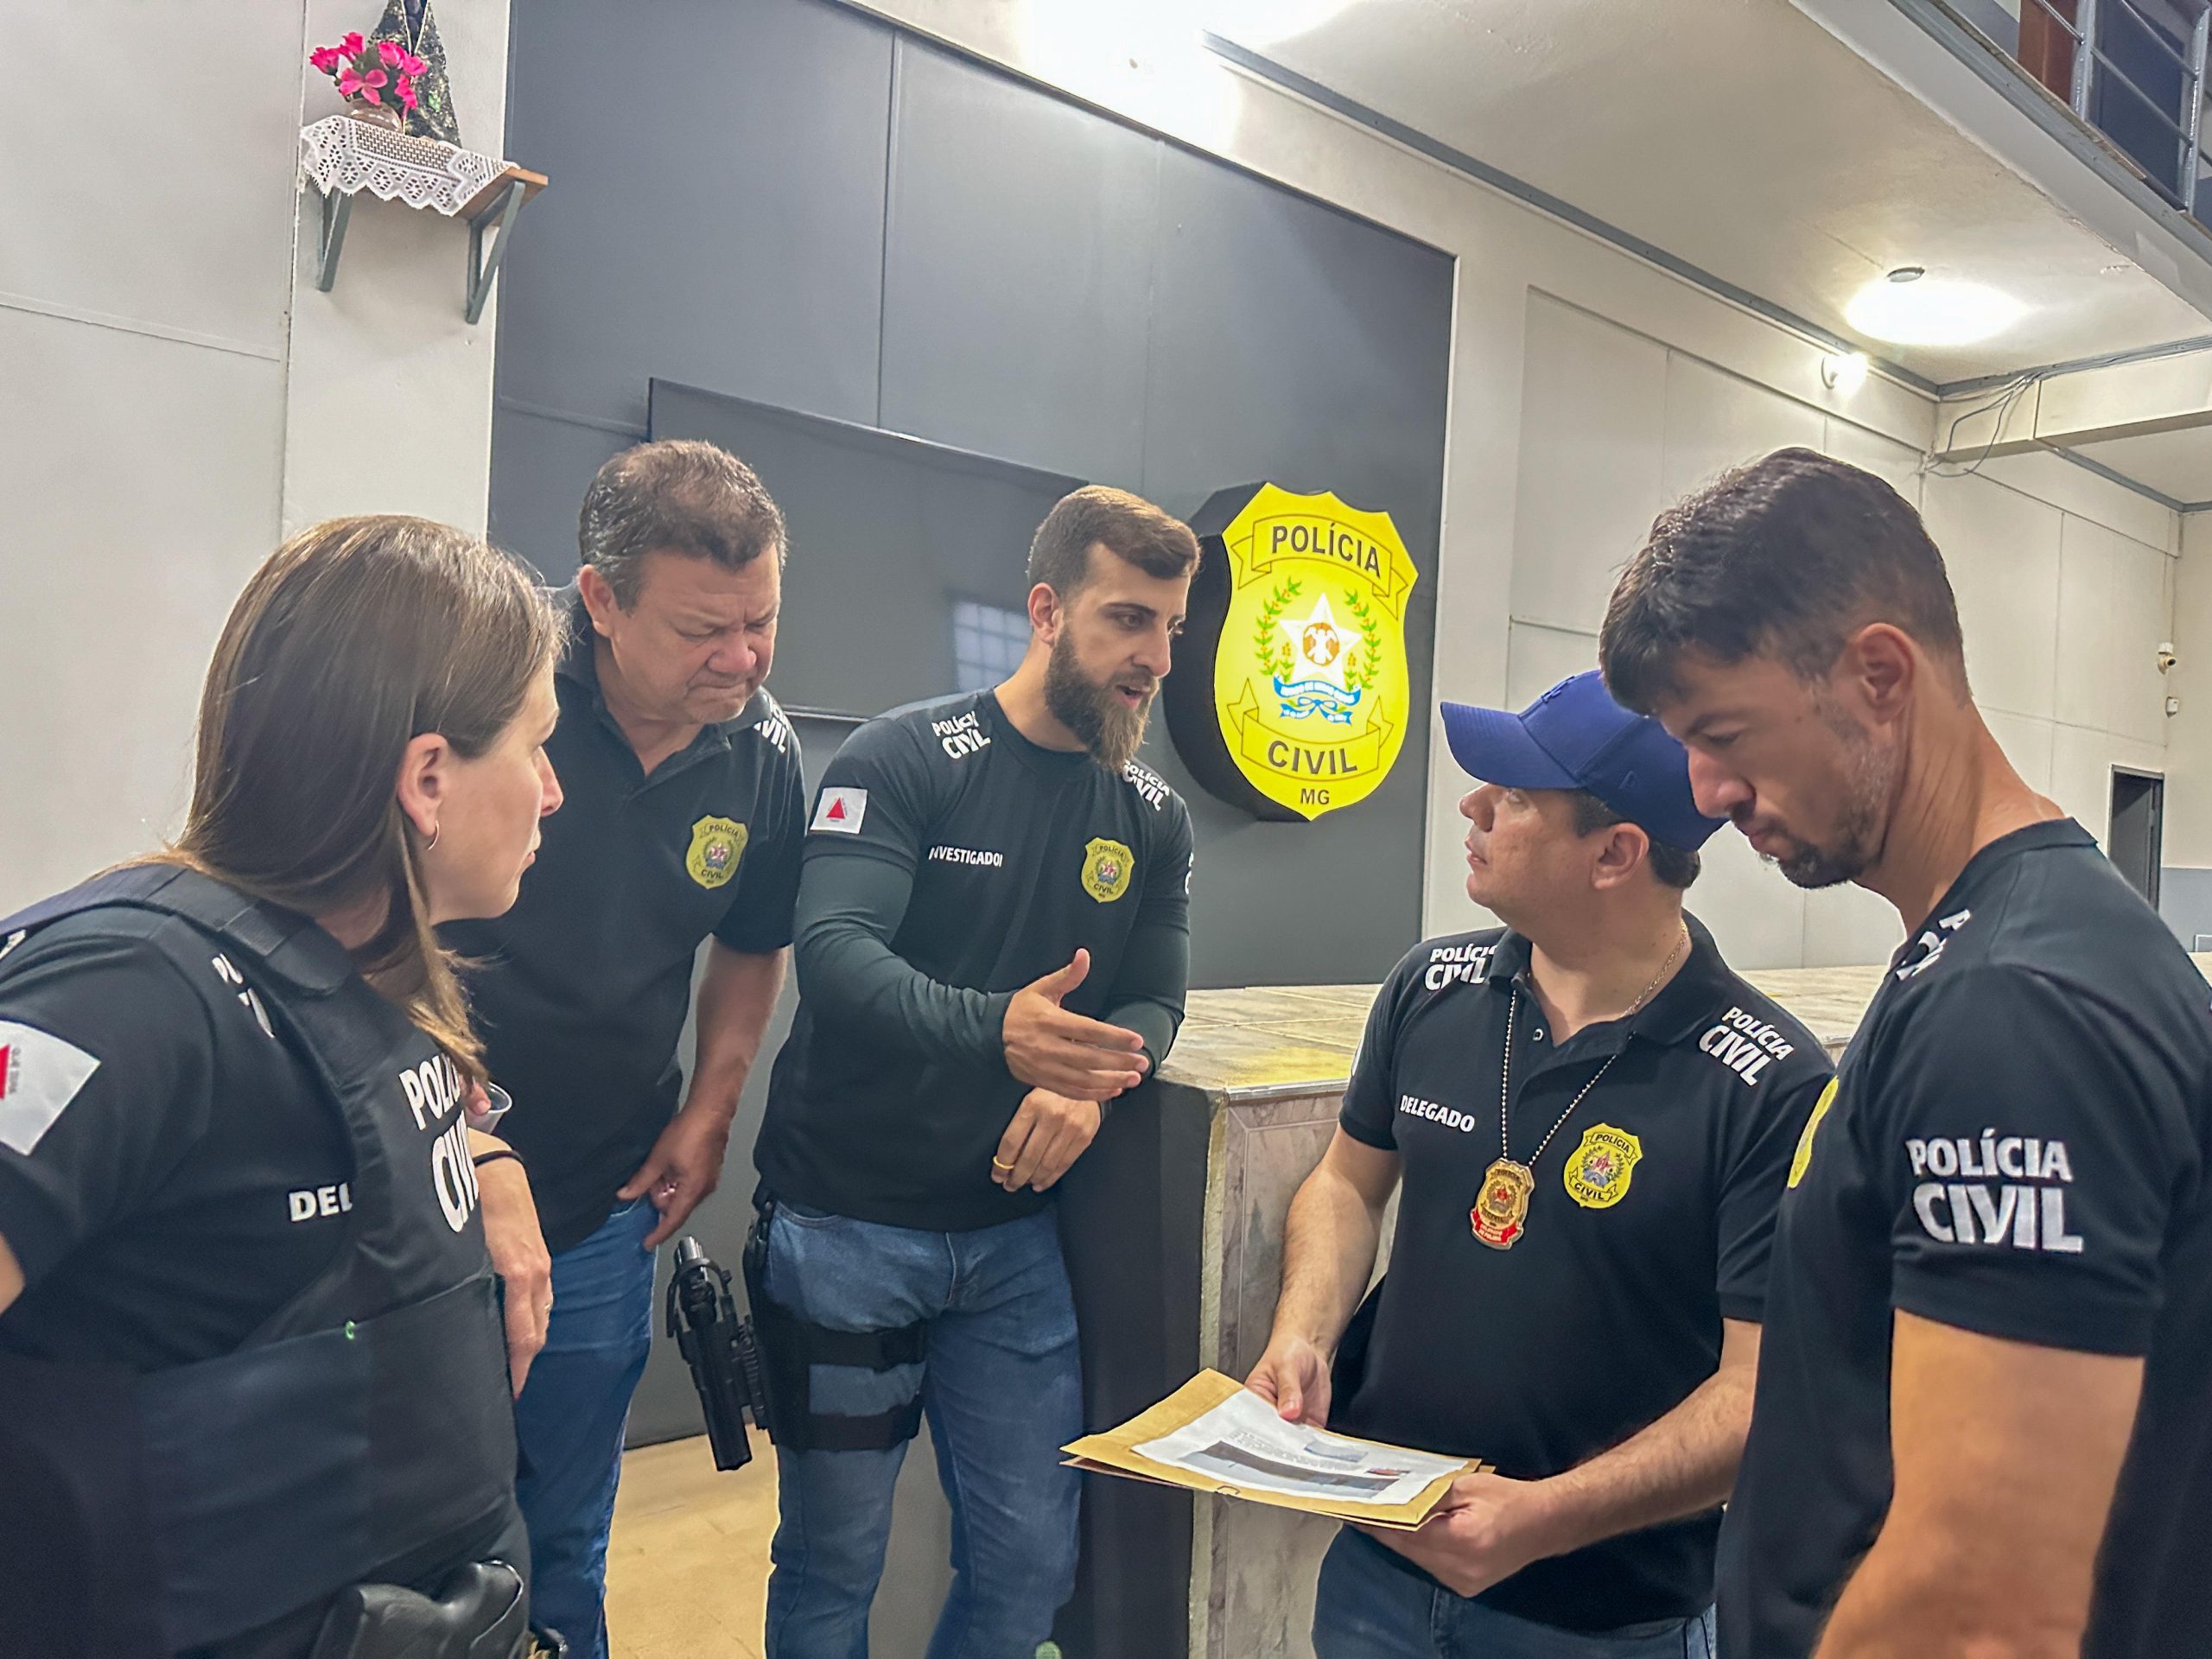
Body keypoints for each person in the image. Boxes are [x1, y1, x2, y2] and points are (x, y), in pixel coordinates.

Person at [1599, 446, 2212, 1659]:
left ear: (1879, 675)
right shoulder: (1985, 947)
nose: (1706, 792)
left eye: (1724, 733)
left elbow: (1983, 1609)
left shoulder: (2016, 1006)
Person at [0, 516, 565, 1658]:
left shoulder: (361, 975)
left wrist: (489, 1162)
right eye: (536, 745)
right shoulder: (136, 988)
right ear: (428, 779)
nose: (552, 791)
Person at [1248, 670, 1834, 1659]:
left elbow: (1760, 1391)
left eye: (1514, 797)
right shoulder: (1429, 989)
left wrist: (1543, 1520)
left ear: (1614, 853)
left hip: (1600, 1621)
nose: (1472, 808)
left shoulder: (1768, 1083)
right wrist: (1302, 1333)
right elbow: (1348, 1182)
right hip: (1376, 1581)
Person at [749, 484, 1199, 1657]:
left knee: (1031, 1563)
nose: (1155, 659)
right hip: (847, 1229)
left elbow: (1156, 999)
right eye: (1128, 620)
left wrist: (1091, 1080)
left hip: (1012, 1244)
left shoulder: (1152, 816)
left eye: (1169, 628)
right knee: (835, 1559)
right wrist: (996, 1030)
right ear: (1046, 612)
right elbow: (834, 953)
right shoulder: (903, 756)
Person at [442, 440, 807, 1658]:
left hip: (605, 1196)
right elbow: (378, 922)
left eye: (761, 621)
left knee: (568, 1523)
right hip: (427, 1181)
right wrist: (468, 1138)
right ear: (598, 601)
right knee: (423, 1516)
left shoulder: (761, 749)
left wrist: (710, 1110)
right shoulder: (485, 684)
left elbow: (751, 942)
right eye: (705, 630)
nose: (743, 659)